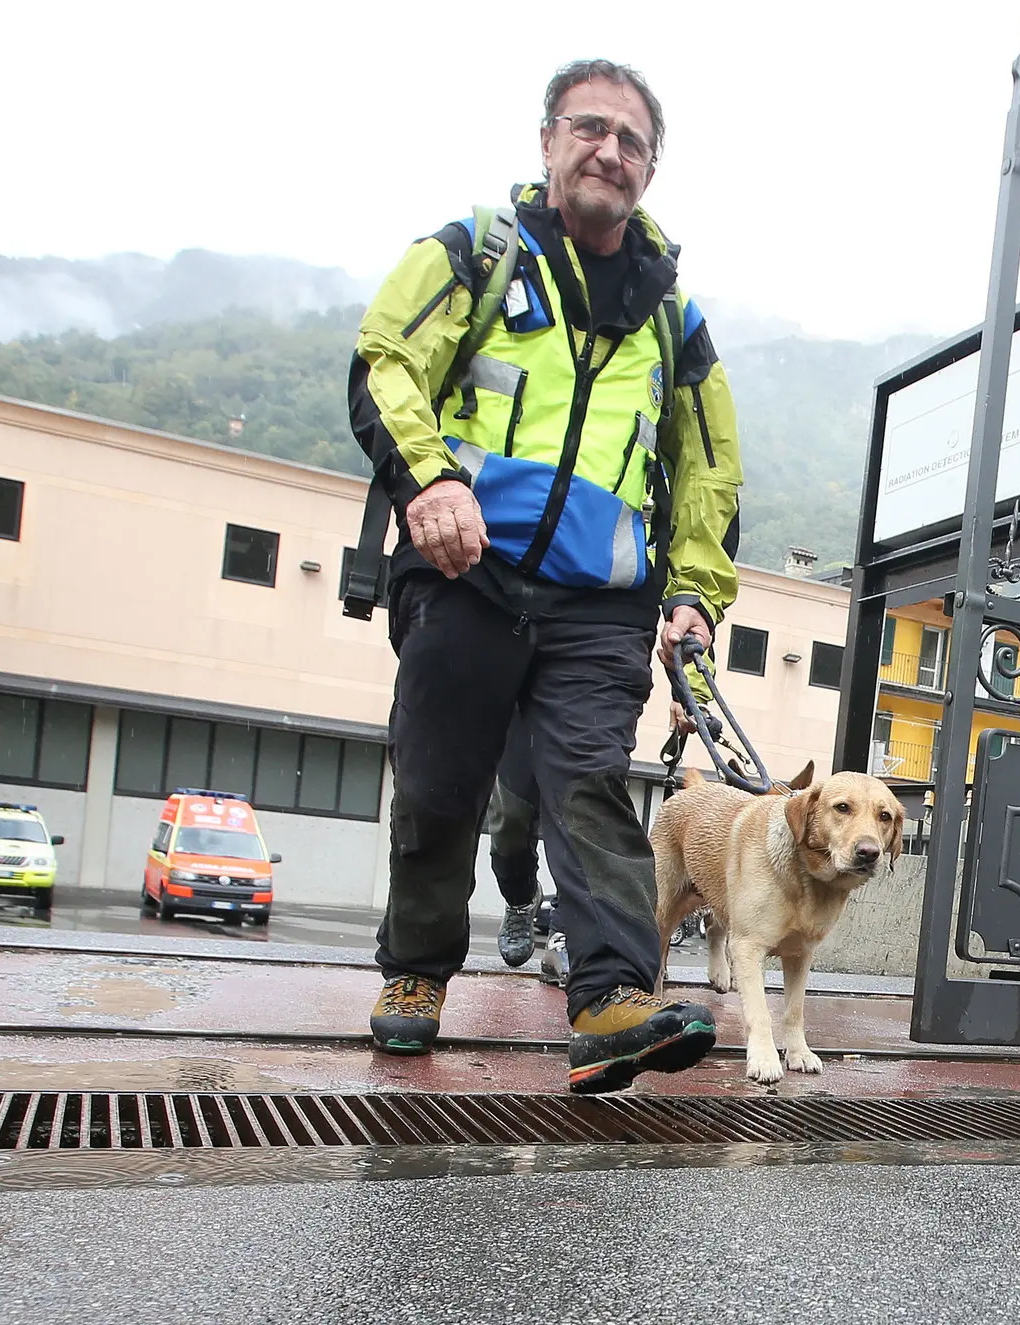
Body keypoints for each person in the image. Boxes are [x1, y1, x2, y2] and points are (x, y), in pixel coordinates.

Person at [349, 57, 743, 1095]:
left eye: (631, 140)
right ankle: (416, 973)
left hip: (601, 600)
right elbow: (386, 359)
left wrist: (696, 592)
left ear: (649, 173)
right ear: (548, 142)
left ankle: (612, 997)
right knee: (439, 778)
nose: (608, 150)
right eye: (590, 128)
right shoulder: (474, 255)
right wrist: (427, 481)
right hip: (466, 569)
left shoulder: (674, 318)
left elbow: (708, 467)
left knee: (588, 787)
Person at [491, 696, 710, 976]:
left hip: (596, 685)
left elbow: (687, 651)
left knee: (587, 810)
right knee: (511, 815)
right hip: (523, 682)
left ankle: (566, 932)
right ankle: (520, 897)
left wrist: (690, 692)